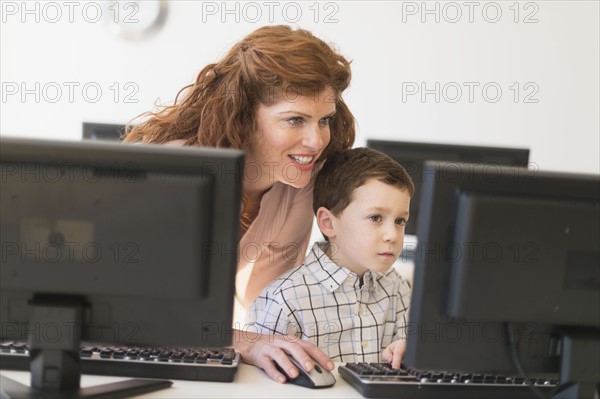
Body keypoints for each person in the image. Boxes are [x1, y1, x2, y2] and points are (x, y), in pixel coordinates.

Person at [123, 25, 355, 382]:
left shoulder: (295, 185)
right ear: (244, 116)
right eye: (295, 119)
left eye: (324, 120)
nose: (316, 139)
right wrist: (242, 341)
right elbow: (140, 312)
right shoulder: (176, 172)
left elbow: (267, 302)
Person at [246, 147, 414, 369]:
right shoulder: (283, 300)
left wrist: (408, 350)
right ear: (328, 222)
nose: (392, 235)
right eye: (375, 217)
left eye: (400, 221)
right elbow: (259, 383)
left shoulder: (397, 288)